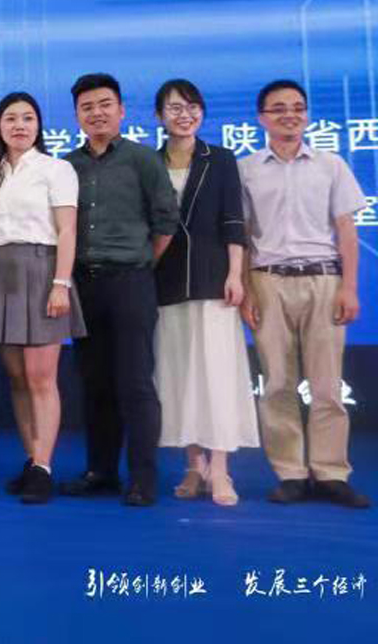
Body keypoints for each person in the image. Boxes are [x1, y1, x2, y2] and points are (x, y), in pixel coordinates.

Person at [239, 79, 370, 508]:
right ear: (261, 118)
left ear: (308, 115)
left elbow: (346, 231)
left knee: (327, 386)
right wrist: (246, 291)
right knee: (277, 382)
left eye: (298, 107)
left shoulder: (331, 165)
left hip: (324, 280)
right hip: (267, 281)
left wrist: (349, 287)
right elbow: (241, 236)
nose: (289, 115)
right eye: (278, 108)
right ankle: (290, 473)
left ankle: (331, 473)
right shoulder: (246, 169)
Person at [62, 73, 178, 506]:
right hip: (83, 286)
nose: (97, 113)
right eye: (87, 107)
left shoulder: (143, 159)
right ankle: (102, 471)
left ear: (122, 110)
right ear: (77, 115)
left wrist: (141, 261)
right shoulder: (66, 166)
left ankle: (143, 478)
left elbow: (166, 222)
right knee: (94, 382)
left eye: (105, 104)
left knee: (135, 383)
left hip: (131, 282)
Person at [151, 79, 259, 506]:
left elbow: (233, 220)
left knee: (217, 374)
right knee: (178, 376)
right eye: (175, 108)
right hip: (166, 282)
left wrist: (236, 274)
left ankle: (221, 469)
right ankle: (193, 466)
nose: (185, 115)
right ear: (160, 115)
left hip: (214, 280)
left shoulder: (221, 159)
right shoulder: (149, 162)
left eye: (193, 106)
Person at [0, 92, 86, 504]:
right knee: (17, 378)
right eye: (11, 118)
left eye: (28, 118)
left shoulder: (56, 169)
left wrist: (61, 283)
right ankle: (31, 459)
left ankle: (44, 466)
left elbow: (67, 230)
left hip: (43, 272)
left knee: (41, 378)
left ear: (39, 125)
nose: (19, 126)